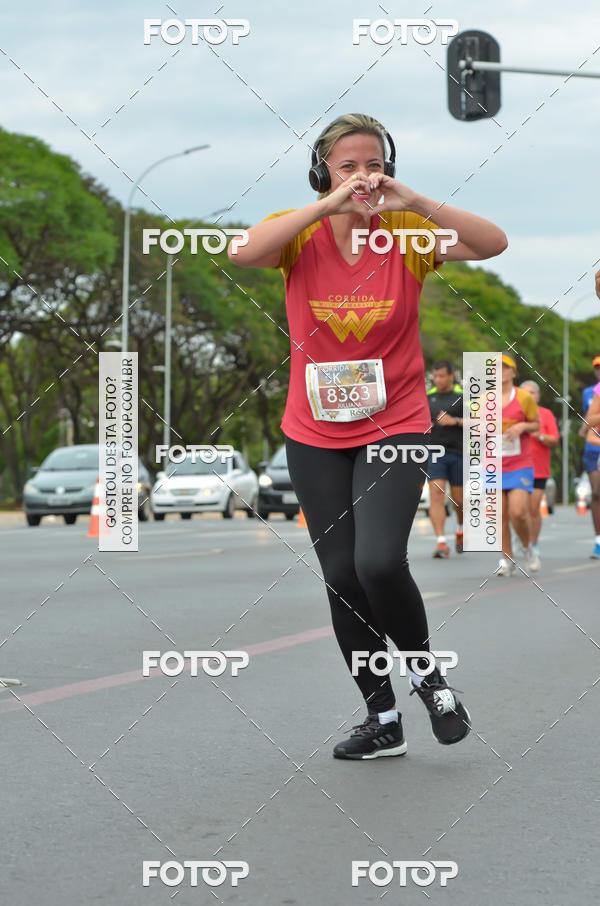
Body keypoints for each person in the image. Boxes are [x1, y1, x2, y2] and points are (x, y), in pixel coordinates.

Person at [229, 113, 507, 759]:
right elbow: (242, 251)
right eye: (347, 165)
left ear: (389, 168)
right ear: (324, 169)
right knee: (341, 577)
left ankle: (429, 679)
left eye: (374, 164)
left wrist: (410, 199)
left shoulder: (405, 232)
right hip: (315, 430)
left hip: (398, 423)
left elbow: (491, 243)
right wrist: (323, 206)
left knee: (378, 562)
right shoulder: (298, 235)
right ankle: (381, 718)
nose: (362, 176)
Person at [497, 355, 540, 576]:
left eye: (506, 368)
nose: (501, 371)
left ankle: (527, 547)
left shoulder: (524, 398)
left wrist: (522, 426)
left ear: (513, 373)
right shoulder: (485, 399)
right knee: (500, 516)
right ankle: (507, 559)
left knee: (518, 513)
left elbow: (536, 424)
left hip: (520, 463)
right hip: (494, 464)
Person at [426, 360, 464, 557]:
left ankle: (460, 529)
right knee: (436, 494)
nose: (438, 380)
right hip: (435, 453)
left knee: (459, 500)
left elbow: (482, 421)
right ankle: (441, 542)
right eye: (435, 376)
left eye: (442, 376)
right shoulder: (427, 397)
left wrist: (455, 421)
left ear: (450, 375)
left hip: (459, 453)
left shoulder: (463, 395)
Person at [519, 381, 559, 557]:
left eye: (533, 392)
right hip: (516, 468)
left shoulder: (546, 414)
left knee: (533, 508)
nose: (530, 395)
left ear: (538, 396)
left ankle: (533, 543)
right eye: (526, 392)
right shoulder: (514, 415)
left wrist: (539, 435)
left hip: (538, 470)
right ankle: (522, 539)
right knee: (518, 510)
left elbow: (555, 440)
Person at [579, 356, 600, 558]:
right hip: (594, 449)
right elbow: (589, 419)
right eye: (597, 368)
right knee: (596, 492)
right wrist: (583, 428)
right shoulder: (592, 391)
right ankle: (598, 540)